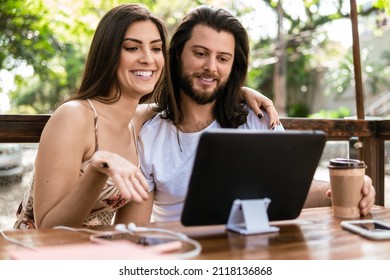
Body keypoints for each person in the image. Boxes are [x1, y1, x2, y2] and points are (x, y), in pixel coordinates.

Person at [13, 4, 278, 230]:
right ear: (108, 53)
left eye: (155, 49)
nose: (147, 59)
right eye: (132, 48)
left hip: (98, 253)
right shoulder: (74, 117)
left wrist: (238, 91)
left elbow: (188, 102)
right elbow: (48, 228)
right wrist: (98, 167)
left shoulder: (138, 123)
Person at [134, 6, 376, 224]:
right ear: (177, 55)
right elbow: (138, 229)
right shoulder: (150, 134)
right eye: (200, 53)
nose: (211, 66)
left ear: (233, 66)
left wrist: (349, 188)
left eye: (222, 58)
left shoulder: (256, 118)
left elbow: (293, 188)